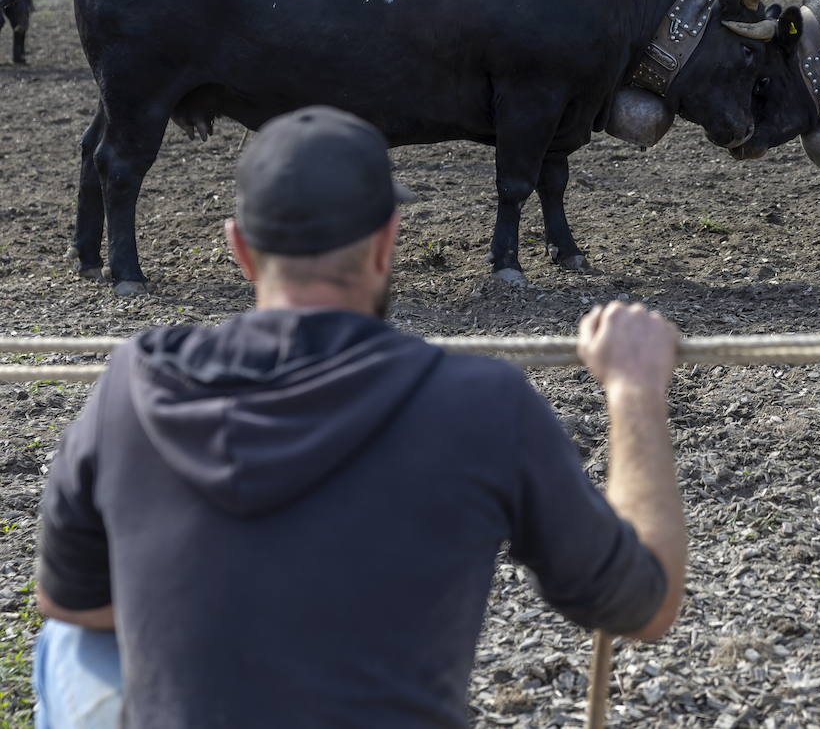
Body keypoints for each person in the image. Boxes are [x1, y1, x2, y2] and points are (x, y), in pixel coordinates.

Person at [31, 107, 687, 728]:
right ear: (386, 243)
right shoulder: (480, 404)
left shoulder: (133, 384)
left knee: (68, 643)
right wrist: (633, 389)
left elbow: (67, 600)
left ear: (241, 249)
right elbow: (645, 605)